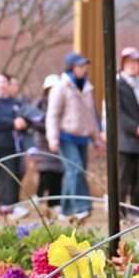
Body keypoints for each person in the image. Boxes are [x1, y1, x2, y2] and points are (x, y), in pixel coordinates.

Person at [46, 52, 101, 222]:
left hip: (82, 137)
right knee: (75, 169)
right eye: (80, 66)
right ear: (71, 68)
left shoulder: (87, 88)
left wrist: (96, 139)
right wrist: (52, 138)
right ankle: (81, 207)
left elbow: (91, 115)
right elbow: (53, 114)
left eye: (85, 66)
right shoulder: (61, 87)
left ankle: (65, 210)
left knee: (75, 172)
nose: (84, 69)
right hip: (65, 136)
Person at [0, 73, 29, 219]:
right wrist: (13, 123)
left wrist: (22, 123)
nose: (2, 85)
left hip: (9, 145)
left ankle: (9, 206)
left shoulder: (14, 102)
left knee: (10, 176)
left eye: (4, 82)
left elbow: (22, 117)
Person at [116, 47, 139, 219]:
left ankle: (135, 208)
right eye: (129, 62)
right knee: (123, 177)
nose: (132, 66)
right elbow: (117, 113)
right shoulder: (118, 84)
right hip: (124, 140)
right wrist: (134, 127)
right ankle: (120, 211)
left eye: (136, 63)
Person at [28, 74, 64, 211]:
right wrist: (49, 126)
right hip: (43, 142)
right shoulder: (39, 103)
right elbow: (34, 119)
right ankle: (38, 196)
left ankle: (55, 202)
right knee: (46, 171)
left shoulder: (62, 102)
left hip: (59, 140)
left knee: (58, 173)